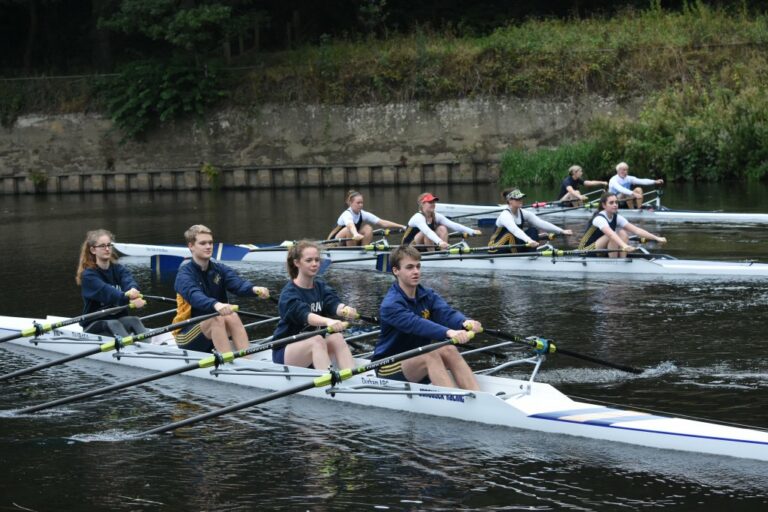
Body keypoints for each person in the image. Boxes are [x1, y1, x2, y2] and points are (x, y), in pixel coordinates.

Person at [374, 245, 482, 390]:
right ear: (396, 271)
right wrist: (449, 332)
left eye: (418, 266)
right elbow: (416, 324)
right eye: (410, 267)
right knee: (430, 355)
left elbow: (446, 313)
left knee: (449, 349)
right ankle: (455, 403)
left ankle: (477, 395)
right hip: (389, 365)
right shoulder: (391, 304)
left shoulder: (427, 294)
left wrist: (464, 322)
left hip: (418, 358)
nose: (416, 271)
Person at [173, 224, 270, 353]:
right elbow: (194, 295)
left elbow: (238, 284)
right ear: (191, 246)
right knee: (216, 319)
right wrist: (216, 304)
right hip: (186, 334)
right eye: (203, 243)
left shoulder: (219, 269)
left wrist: (254, 289)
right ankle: (227, 365)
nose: (208, 247)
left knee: (232, 316)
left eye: (210, 243)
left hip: (214, 325)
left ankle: (246, 359)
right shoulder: (184, 274)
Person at [272, 240, 358, 369]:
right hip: (285, 351)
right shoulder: (288, 293)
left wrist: (345, 309)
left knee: (337, 338)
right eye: (309, 260)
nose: (314, 264)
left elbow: (333, 304)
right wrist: (328, 321)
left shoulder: (320, 287)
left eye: (317, 260)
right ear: (297, 263)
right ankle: (328, 385)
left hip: (314, 345)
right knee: (317, 340)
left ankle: (352, 378)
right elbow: (305, 316)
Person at [76, 229, 148, 337]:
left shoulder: (118, 269)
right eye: (102, 246)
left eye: (109, 245)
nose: (107, 249)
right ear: (93, 250)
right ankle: (128, 350)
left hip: (118, 320)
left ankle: (150, 346)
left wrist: (133, 290)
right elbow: (109, 293)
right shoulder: (89, 276)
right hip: (94, 324)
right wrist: (128, 298)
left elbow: (128, 280)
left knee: (135, 320)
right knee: (113, 323)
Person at [578, 192, 668, 258]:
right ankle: (614, 262)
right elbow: (610, 234)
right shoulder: (599, 218)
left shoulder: (616, 217)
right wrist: (624, 246)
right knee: (612, 235)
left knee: (623, 233)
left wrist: (656, 238)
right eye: (611, 203)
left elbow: (637, 230)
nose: (615, 205)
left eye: (616, 202)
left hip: (600, 247)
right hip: (586, 249)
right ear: (604, 205)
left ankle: (622, 259)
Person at [489, 188, 573, 253]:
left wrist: (561, 231)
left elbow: (541, 223)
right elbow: (515, 230)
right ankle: (523, 256)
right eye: (517, 199)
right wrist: (529, 240)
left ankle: (531, 254)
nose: (521, 200)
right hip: (496, 247)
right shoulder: (505, 215)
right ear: (510, 201)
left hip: (512, 245)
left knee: (533, 230)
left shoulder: (523, 213)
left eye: (521, 198)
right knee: (510, 235)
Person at [402, 192, 481, 250]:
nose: (433, 204)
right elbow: (427, 232)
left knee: (442, 228)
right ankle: (433, 255)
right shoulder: (418, 217)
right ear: (422, 204)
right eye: (430, 202)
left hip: (426, 244)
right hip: (409, 248)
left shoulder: (436, 216)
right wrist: (440, 242)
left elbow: (453, 225)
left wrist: (471, 231)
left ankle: (443, 252)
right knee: (427, 233)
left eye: (434, 202)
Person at [327, 190, 406, 246]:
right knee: (349, 229)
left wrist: (402, 226)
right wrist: (355, 234)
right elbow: (350, 225)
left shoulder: (363, 214)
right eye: (358, 203)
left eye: (362, 203)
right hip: (335, 242)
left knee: (368, 228)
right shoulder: (347, 214)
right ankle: (352, 250)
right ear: (350, 203)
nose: (361, 205)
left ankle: (364, 250)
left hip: (351, 239)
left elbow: (382, 222)